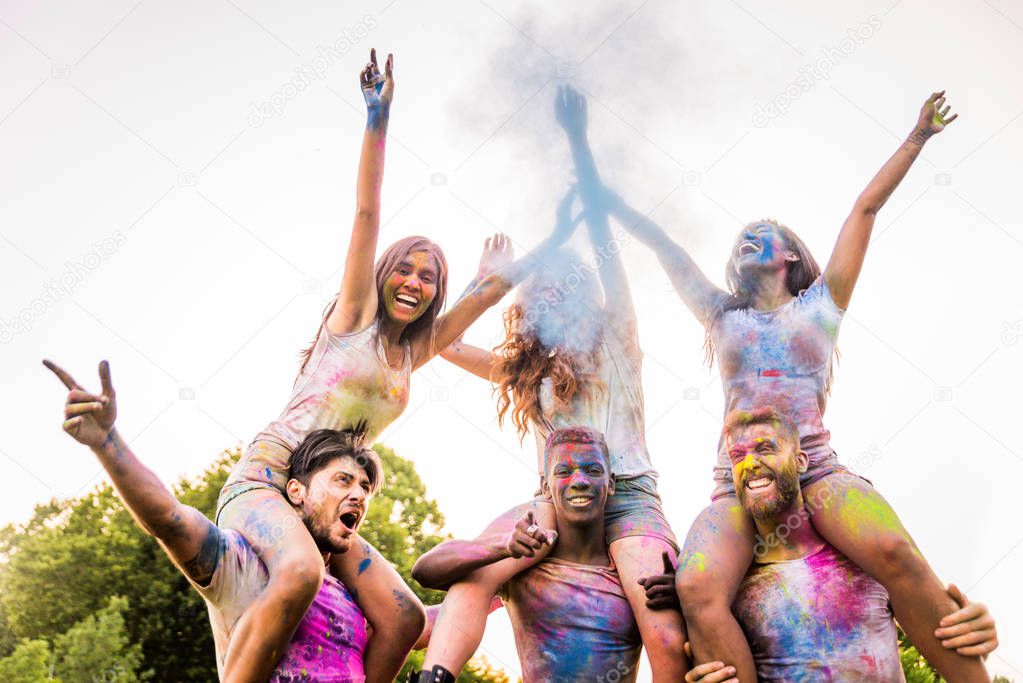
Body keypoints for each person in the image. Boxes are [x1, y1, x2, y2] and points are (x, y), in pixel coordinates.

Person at [603, 90, 987, 681]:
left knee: (896, 554)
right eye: (740, 239)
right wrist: (607, 188)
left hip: (815, 467)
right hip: (740, 477)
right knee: (697, 584)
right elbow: (665, 247)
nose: (746, 239)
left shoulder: (820, 306)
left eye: (762, 233)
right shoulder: (722, 315)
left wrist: (917, 138)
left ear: (788, 255)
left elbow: (863, 211)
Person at [215, 49, 562, 681]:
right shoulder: (351, 320)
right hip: (270, 479)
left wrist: (560, 233)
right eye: (404, 268)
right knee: (298, 573)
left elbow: (487, 295)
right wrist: (377, 117)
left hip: (332, 499)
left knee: (402, 616)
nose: (414, 282)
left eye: (429, 278)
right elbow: (367, 216)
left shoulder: (413, 353)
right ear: (382, 276)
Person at [419, 87, 685, 682]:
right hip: (553, 500)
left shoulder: (617, 340)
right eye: (536, 288)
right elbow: (436, 345)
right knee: (475, 569)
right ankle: (435, 676)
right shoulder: (527, 372)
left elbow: (602, 240)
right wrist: (485, 283)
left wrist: (577, 142)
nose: (548, 294)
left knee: (662, 618)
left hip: (628, 497)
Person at [44, 359, 395, 682]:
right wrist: (107, 443)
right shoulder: (248, 564)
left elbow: (417, 627)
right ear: (296, 492)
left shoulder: (354, 595)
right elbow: (169, 519)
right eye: (343, 480)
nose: (359, 495)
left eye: (365, 487)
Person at [667, 407, 999, 682]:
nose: (750, 463)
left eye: (765, 448)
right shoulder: (731, 588)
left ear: (800, 461)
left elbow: (944, 627)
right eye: (737, 456)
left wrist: (974, 631)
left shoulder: (866, 560)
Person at [412, 427, 683, 683]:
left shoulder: (634, 572)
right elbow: (426, 571)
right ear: (545, 485)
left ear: (610, 483)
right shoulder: (524, 561)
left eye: (593, 470)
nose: (580, 481)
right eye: (564, 471)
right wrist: (501, 547)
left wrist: (682, 596)